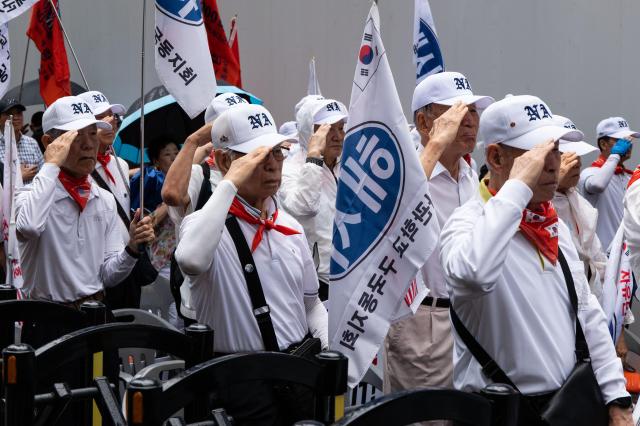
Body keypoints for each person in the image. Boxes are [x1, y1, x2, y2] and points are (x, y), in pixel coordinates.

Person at [440, 94, 631, 425]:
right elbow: (474, 273)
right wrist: (517, 187)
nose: (554, 163)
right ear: (496, 158)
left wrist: (617, 400)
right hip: (498, 412)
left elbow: (588, 315)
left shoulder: (550, 222)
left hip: (567, 404)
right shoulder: (467, 222)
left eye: (555, 149)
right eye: (537, 154)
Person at [175, 103, 327, 425]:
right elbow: (190, 259)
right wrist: (229, 183)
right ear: (225, 161)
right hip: (237, 382)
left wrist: (334, 355)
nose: (272, 166)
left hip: (296, 375)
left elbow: (311, 305)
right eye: (258, 156)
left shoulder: (290, 226)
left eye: (277, 153)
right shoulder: (204, 224)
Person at [383, 72, 494, 398]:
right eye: (458, 112)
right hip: (424, 320)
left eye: (474, 111)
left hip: (470, 316)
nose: (471, 121)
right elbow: (398, 214)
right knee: (426, 417)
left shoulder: (470, 173)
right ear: (423, 121)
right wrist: (434, 147)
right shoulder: (403, 168)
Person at [15, 95, 154, 345]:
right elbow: (29, 226)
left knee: (103, 383)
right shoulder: (28, 195)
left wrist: (132, 247)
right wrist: (50, 165)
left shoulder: (103, 199)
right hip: (47, 321)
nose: (89, 145)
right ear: (50, 142)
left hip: (95, 316)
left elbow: (109, 274)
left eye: (92, 134)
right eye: (76, 136)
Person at [162, 92, 249, 321]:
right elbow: (171, 194)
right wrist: (194, 141)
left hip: (247, 297)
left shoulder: (255, 173)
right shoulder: (201, 174)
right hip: (203, 304)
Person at [279, 98, 348, 300]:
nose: (337, 136)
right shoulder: (289, 169)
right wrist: (314, 156)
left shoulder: (346, 166)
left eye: (341, 128)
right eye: (327, 130)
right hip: (315, 282)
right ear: (310, 133)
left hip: (349, 275)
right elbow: (305, 207)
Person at [130, 139, 179, 319]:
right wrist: (170, 199)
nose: (174, 157)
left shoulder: (189, 180)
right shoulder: (150, 182)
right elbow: (149, 221)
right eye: (167, 154)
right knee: (171, 308)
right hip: (162, 258)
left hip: (182, 254)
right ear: (156, 161)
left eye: (176, 152)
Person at [579, 117, 639, 250]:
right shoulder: (590, 173)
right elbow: (597, 185)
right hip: (603, 258)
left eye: (629, 139)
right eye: (620, 140)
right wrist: (615, 155)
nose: (628, 144)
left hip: (629, 258)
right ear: (603, 144)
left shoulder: (629, 176)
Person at [0, 98, 44, 184]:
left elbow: (43, 175)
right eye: (10, 114)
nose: (16, 117)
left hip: (35, 196)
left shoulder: (32, 143)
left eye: (19, 113)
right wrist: (18, 177)